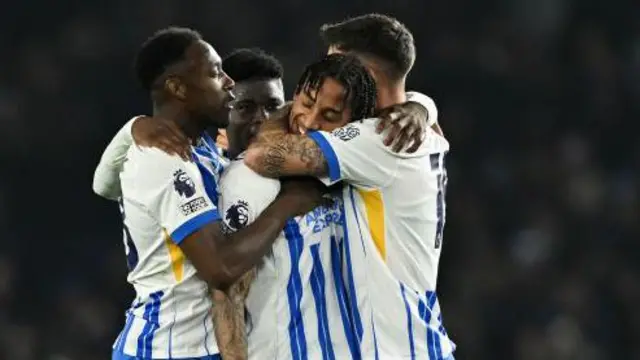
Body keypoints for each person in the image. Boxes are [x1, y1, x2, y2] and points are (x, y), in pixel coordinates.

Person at [243, 14, 456, 359]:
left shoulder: (382, 139)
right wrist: (423, 106)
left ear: (366, 76)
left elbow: (262, 156)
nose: (326, 79)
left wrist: (297, 109)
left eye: (334, 69)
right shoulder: (409, 128)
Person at [106, 27, 325, 360]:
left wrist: (418, 106)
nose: (228, 82)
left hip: (206, 345)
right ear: (177, 87)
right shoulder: (163, 159)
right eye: (214, 72)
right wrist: (288, 205)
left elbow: (102, 183)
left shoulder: (205, 150)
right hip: (170, 347)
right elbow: (220, 269)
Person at [219, 53, 377, 359]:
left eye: (330, 115)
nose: (310, 121)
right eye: (306, 104)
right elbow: (228, 290)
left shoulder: (359, 170)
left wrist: (422, 108)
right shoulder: (245, 178)